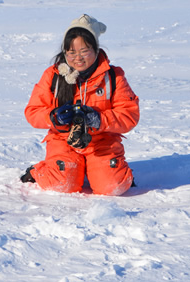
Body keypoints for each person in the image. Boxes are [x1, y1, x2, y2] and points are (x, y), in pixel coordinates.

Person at [21, 14, 139, 195]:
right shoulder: (53, 76)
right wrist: (53, 117)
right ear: (65, 52)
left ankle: (117, 172)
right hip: (63, 142)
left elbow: (129, 115)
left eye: (84, 51)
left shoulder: (113, 77)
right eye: (71, 52)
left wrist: (98, 119)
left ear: (96, 49)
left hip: (102, 142)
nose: (78, 58)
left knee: (112, 187)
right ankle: (39, 171)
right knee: (61, 186)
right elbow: (33, 111)